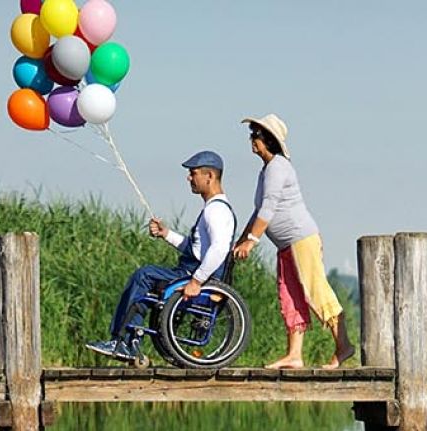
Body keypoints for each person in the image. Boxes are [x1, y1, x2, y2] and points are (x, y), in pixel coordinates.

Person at [86, 150, 237, 361]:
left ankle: (124, 341)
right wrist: (165, 234)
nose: (189, 178)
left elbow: (219, 249)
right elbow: (195, 249)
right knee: (146, 278)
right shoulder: (212, 209)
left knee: (144, 276)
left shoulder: (217, 211)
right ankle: (128, 340)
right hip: (189, 271)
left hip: (197, 278)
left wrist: (196, 281)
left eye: (193, 173)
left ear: (209, 176)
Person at [233, 113, 355, 370]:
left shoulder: (279, 167)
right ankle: (295, 355)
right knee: (289, 295)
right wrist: (242, 239)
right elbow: (258, 211)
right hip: (286, 245)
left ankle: (343, 345)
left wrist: (252, 241)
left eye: (255, 135)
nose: (251, 139)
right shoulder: (266, 170)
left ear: (268, 140)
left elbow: (269, 207)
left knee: (315, 291)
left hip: (301, 239)